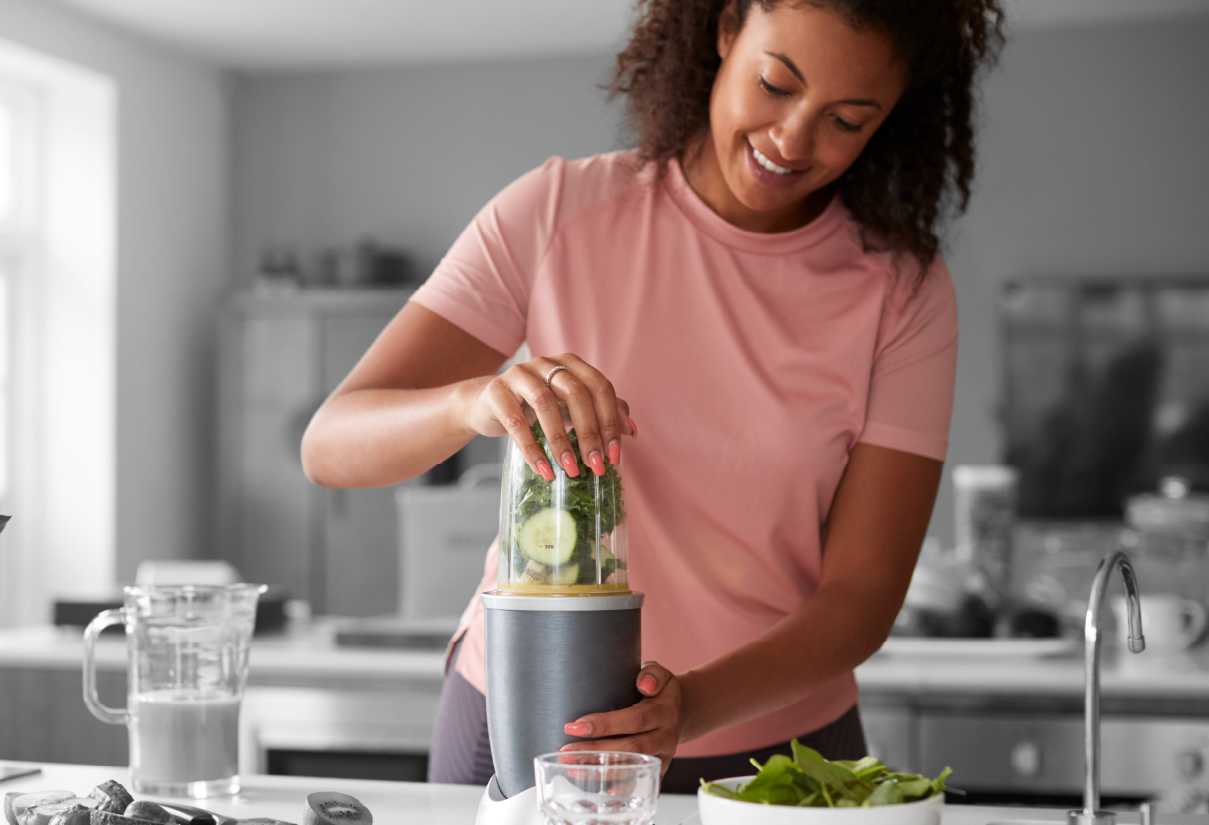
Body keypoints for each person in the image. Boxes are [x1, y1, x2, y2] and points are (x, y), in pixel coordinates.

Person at [301, 0, 1005, 793]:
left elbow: (862, 595)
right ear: (727, 27)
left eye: (846, 119)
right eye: (775, 85)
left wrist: (691, 705)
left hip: (778, 753)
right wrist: (472, 401)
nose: (792, 139)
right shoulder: (555, 212)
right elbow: (331, 444)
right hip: (530, 721)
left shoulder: (902, 292)